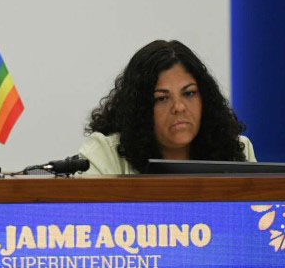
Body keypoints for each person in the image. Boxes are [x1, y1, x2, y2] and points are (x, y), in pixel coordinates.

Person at [79, 40, 256, 175]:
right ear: (141, 109)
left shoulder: (235, 149)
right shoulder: (104, 155)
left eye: (189, 93)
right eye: (162, 98)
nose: (179, 107)